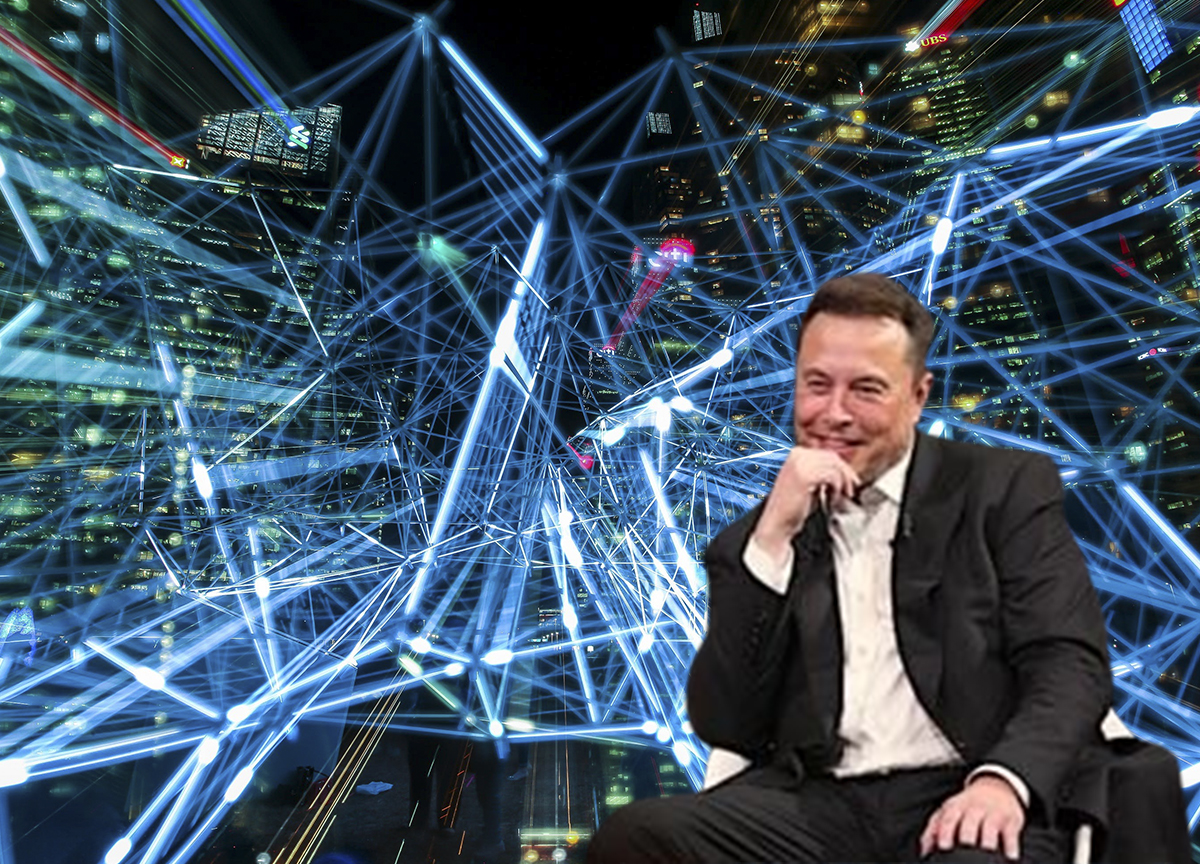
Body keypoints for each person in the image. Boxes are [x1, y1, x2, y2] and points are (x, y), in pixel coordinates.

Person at [588, 273, 1112, 863]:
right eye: (816, 386)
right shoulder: (755, 538)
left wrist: (1002, 782)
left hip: (967, 783)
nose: (834, 413)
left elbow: (1069, 662)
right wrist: (772, 539)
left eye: (866, 389)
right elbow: (727, 724)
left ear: (918, 396)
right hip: (818, 803)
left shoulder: (1002, 490)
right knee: (637, 839)